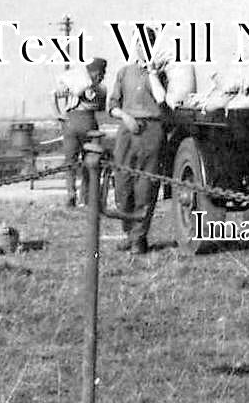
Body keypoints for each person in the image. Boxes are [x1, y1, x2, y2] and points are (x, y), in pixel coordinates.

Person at [108, 26, 168, 254]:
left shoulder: (160, 74)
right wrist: (126, 117)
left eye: (148, 43)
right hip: (127, 130)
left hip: (152, 131)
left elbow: (162, 100)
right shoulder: (124, 72)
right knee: (122, 185)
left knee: (146, 186)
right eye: (139, 43)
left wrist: (152, 73)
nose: (143, 48)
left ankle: (139, 238)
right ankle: (129, 232)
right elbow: (112, 106)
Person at [55, 57, 108, 207]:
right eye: (101, 73)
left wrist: (59, 114)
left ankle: (74, 195)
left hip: (73, 122)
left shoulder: (76, 82)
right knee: (87, 161)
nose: (102, 76)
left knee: (72, 161)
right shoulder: (100, 88)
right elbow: (101, 109)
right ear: (97, 73)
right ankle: (84, 197)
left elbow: (55, 94)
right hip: (87, 123)